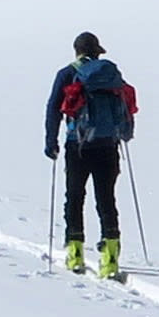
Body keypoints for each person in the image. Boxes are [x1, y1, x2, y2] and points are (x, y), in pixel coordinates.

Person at [43, 33, 137, 279]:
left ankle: (75, 253)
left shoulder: (66, 74)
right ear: (97, 52)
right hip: (108, 145)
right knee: (106, 198)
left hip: (78, 146)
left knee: (74, 197)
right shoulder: (110, 75)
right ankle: (110, 258)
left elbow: (53, 108)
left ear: (76, 51)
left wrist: (51, 141)